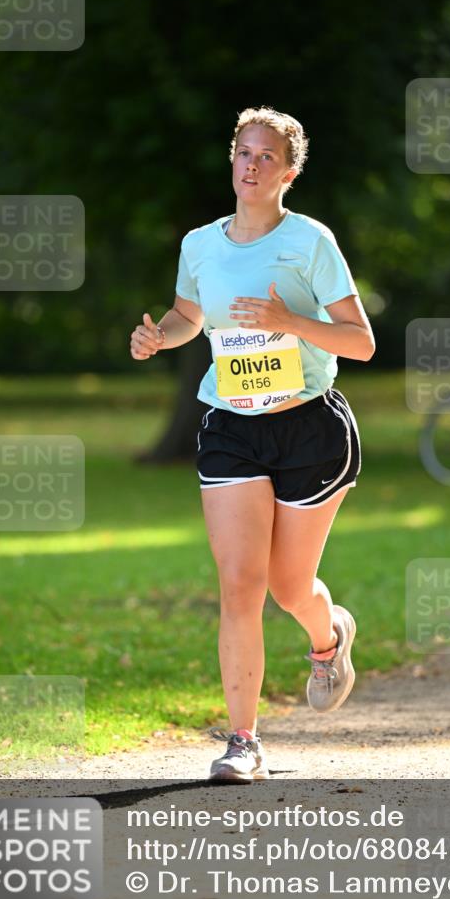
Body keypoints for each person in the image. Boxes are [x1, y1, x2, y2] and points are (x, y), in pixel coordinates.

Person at [130, 106, 375, 781]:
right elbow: (188, 315)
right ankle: (242, 741)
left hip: (308, 428)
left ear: (288, 173)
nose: (251, 164)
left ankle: (328, 639)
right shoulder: (200, 245)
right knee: (240, 584)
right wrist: (161, 336)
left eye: (267, 156)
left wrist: (286, 320)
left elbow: (360, 342)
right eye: (243, 152)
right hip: (231, 427)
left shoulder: (310, 243)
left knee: (290, 588)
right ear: (231, 161)